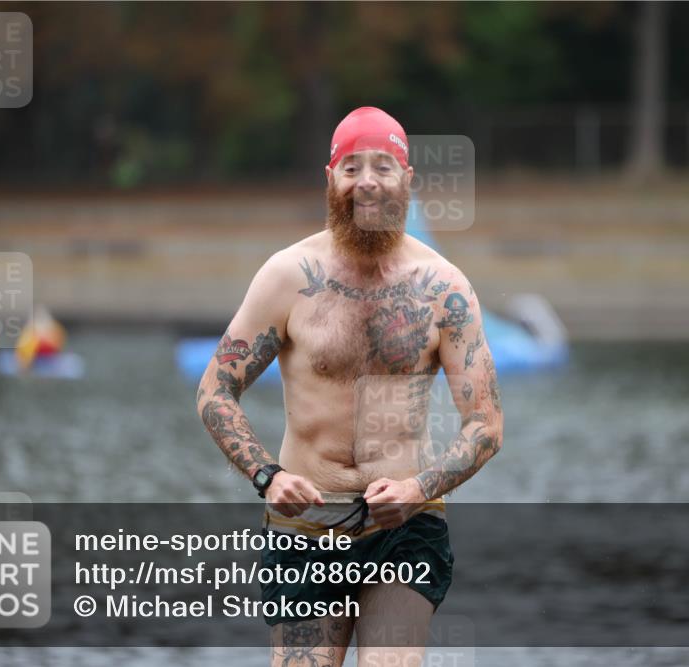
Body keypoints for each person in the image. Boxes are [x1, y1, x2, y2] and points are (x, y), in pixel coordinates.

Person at [196, 106, 503, 667]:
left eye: (383, 166)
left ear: (407, 180)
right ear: (330, 179)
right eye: (351, 166)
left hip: (407, 526)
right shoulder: (288, 276)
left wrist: (419, 487)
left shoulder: (444, 289)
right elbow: (215, 391)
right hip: (306, 529)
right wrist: (267, 476)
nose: (367, 180)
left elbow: (486, 426)